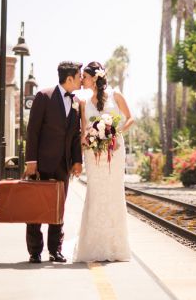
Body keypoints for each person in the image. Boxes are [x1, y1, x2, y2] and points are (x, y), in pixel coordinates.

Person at [23, 61, 84, 263]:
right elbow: (33, 131)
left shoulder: (75, 102)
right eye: (79, 76)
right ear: (69, 78)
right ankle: (34, 251)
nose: (81, 79)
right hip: (42, 164)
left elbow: (75, 135)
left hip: (63, 166)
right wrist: (31, 161)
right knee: (36, 208)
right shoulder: (44, 96)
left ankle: (55, 250)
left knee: (59, 208)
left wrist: (77, 161)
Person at [73, 61, 134, 262]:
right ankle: (94, 248)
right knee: (96, 194)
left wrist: (114, 133)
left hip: (114, 152)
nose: (82, 80)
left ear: (95, 78)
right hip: (93, 155)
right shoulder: (83, 102)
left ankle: (116, 248)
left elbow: (129, 118)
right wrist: (89, 139)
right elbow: (83, 131)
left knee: (114, 193)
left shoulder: (116, 95)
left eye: (85, 77)